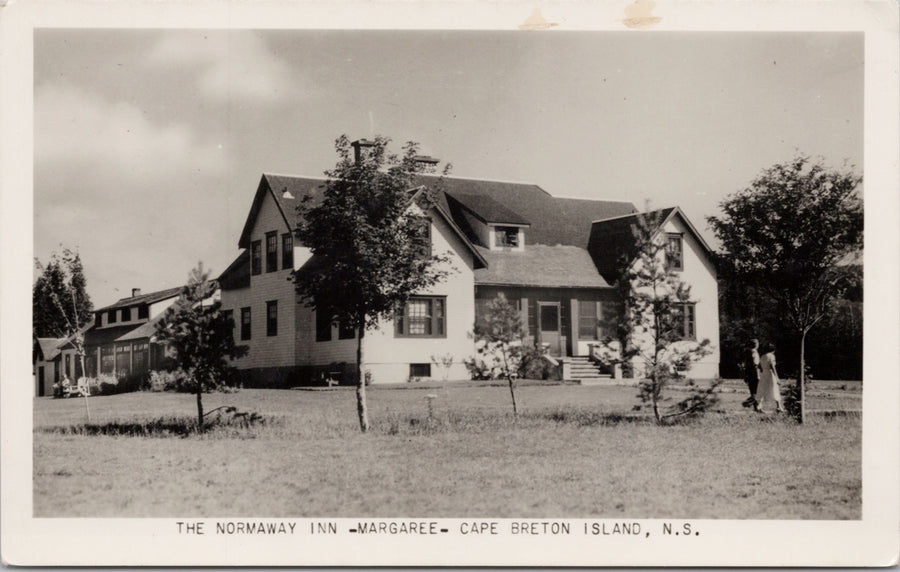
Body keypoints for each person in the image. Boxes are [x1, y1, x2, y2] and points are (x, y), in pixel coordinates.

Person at [755, 343, 783, 413]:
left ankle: (759, 406)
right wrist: (777, 377)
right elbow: (772, 366)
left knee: (762, 389)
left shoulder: (762, 356)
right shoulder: (772, 356)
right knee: (774, 389)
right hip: (770, 374)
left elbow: (759, 366)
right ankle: (779, 407)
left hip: (764, 374)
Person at [741, 338, 761, 408]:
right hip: (755, 373)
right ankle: (748, 403)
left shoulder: (747, 352)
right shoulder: (754, 352)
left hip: (749, 373)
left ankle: (756, 406)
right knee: (757, 390)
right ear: (756, 344)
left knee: (752, 390)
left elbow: (745, 364)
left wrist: (745, 375)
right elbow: (755, 363)